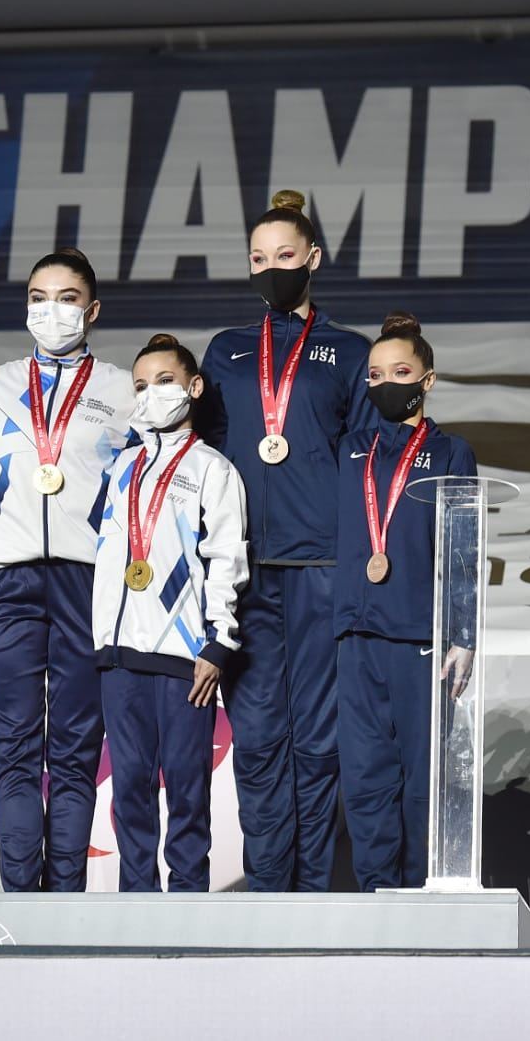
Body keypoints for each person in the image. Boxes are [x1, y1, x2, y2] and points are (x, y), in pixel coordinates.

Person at [198, 190, 374, 892]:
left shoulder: (350, 352)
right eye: (258, 258)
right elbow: (204, 455)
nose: (271, 268)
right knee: (262, 736)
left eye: (284, 257)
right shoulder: (227, 351)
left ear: (314, 260)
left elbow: (367, 463)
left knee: (320, 740)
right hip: (244, 572)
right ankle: (268, 889)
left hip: (324, 566)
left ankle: (315, 888)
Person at [0, 247, 137, 892]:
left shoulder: (122, 391)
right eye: (39, 296)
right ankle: (20, 901)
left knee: (73, 747)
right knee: (11, 746)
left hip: (85, 579)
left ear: (92, 309)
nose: (51, 310)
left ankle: (65, 897)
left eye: (66, 298)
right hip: (4, 577)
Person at [93, 334, 248, 892]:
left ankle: (187, 901)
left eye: (163, 382)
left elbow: (227, 559)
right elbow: (104, 552)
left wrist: (218, 642)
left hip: (185, 657)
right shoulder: (120, 469)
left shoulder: (213, 469)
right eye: (140, 386)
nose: (151, 394)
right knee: (129, 786)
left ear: (193, 387)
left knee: (186, 786)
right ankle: (136, 899)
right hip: (118, 657)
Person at [334, 311, 477, 891]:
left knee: (422, 782)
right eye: (375, 374)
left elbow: (463, 549)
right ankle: (375, 899)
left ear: (428, 379)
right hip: (355, 637)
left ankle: (422, 896)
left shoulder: (449, 453)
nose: (385, 382)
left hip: (421, 638)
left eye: (400, 371)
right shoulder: (349, 450)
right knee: (365, 781)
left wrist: (464, 634)